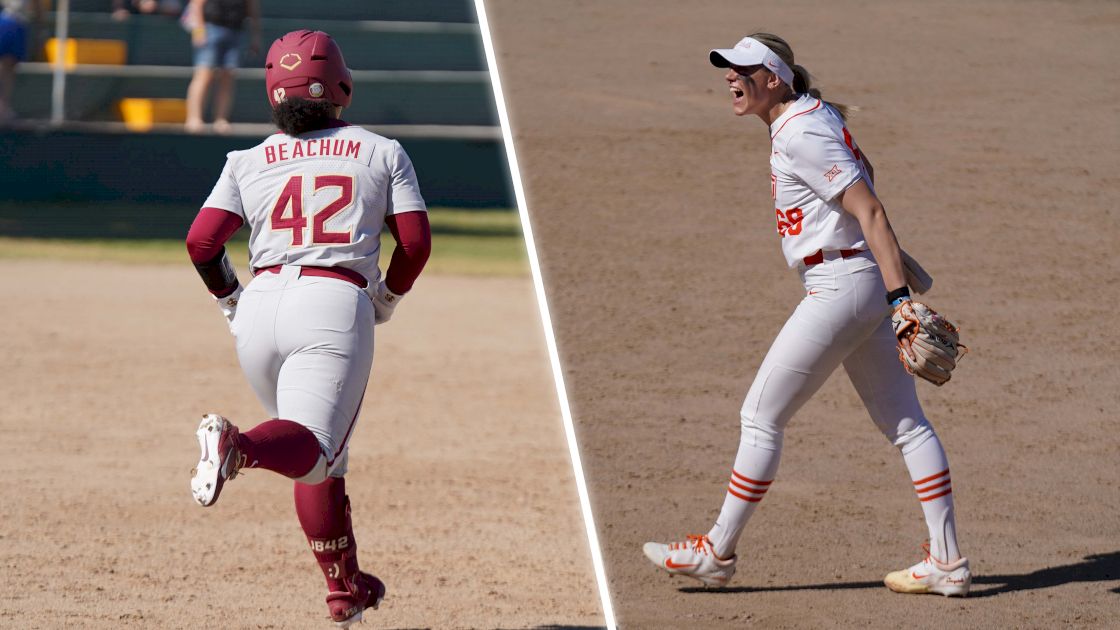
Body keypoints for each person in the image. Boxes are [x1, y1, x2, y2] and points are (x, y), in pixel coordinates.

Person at [642, 33, 971, 597]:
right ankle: (947, 561)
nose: (729, 77)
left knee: (760, 416)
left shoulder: (802, 131)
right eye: (727, 69)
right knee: (905, 422)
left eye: (742, 69)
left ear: (775, 79)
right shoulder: (806, 118)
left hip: (841, 284)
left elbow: (870, 210)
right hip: (854, 277)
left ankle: (718, 552)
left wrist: (900, 301)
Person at [185, 30, 432, 627]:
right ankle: (236, 447)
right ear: (341, 85)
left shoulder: (245, 159)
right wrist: (389, 296)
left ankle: (343, 589)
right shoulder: (380, 150)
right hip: (332, 302)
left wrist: (230, 300)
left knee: (316, 455)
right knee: (312, 449)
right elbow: (416, 243)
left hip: (260, 305)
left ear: (272, 90)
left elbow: (202, 241)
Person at [184, 0, 260, 133]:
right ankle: (194, 119)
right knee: (203, 75)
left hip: (236, 30)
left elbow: (252, 8)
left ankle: (221, 119)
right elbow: (196, 4)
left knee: (228, 76)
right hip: (211, 28)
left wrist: (255, 36)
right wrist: (199, 30)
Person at [0, 0, 41, 123]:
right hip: (14, 24)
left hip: (9, 22)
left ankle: (3, 108)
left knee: (6, 69)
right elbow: (38, 8)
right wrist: (41, 26)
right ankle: (3, 108)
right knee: (7, 70)